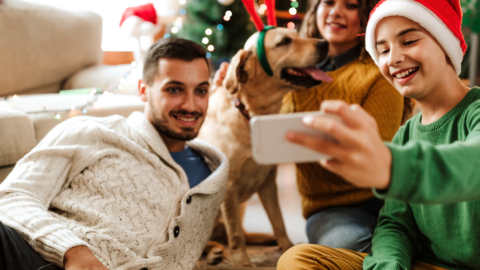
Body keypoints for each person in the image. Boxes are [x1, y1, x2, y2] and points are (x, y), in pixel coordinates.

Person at [278, 0, 480, 269]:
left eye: (408, 41)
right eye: (383, 50)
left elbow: (471, 165)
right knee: (297, 259)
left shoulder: (475, 113)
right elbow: (395, 223)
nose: (393, 58)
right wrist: (387, 265)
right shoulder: (405, 136)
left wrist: (389, 166)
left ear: (446, 43)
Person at [0, 38, 229, 270]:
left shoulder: (214, 177)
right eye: (174, 89)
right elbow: (10, 197)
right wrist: (74, 252)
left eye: (201, 90)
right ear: (143, 90)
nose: (190, 105)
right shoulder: (91, 132)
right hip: (29, 254)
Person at [279, 0, 408, 253]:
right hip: (331, 208)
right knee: (351, 248)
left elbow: (376, 154)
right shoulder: (289, 72)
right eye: (328, 2)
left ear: (366, 15)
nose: (336, 11)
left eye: (350, 5)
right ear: (316, 8)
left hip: (387, 197)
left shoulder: (378, 72)